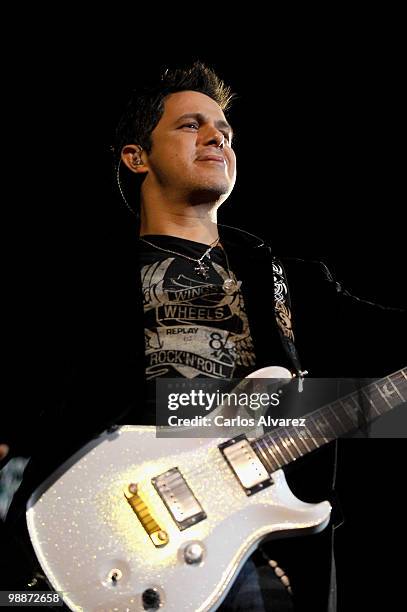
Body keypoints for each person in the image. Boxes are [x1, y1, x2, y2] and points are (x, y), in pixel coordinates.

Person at [1, 61, 405, 611]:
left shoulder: (288, 279)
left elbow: (386, 346)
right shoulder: (79, 276)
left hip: (246, 552)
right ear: (135, 156)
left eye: (226, 132)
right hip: (95, 531)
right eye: (192, 125)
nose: (218, 136)